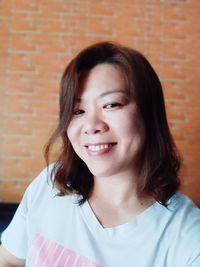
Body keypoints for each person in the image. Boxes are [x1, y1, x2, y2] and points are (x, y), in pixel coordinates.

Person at [0, 42, 199, 267]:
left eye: (111, 104)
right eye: (78, 111)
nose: (91, 125)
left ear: (148, 114)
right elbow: (8, 259)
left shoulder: (188, 237)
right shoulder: (49, 184)